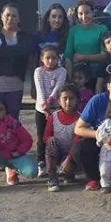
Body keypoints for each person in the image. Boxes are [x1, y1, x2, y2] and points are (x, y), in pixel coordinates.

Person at [0, 97, 38, 193]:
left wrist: (18, 151)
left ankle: (12, 169)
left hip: (15, 156)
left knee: (33, 172)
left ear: (5, 111)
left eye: (1, 109)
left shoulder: (13, 123)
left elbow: (27, 140)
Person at [33, 45, 67, 173]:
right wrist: (45, 106)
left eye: (54, 58)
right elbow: (40, 89)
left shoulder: (62, 71)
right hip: (41, 109)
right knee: (41, 136)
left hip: (56, 109)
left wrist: (50, 102)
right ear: (42, 58)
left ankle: (55, 161)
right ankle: (41, 162)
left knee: (55, 136)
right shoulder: (38, 71)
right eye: (47, 58)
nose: (50, 61)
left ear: (58, 59)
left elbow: (58, 88)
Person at [42, 84, 81, 192]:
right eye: (65, 98)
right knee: (51, 144)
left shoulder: (80, 118)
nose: (68, 102)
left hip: (71, 155)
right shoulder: (53, 117)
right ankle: (52, 178)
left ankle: (68, 174)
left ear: (77, 100)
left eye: (71, 98)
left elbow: (77, 141)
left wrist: (68, 159)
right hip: (56, 152)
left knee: (75, 155)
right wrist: (49, 138)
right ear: (59, 101)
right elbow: (45, 137)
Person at [64, 1, 108, 79]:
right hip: (78, 77)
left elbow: (104, 56)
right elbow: (68, 57)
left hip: (97, 75)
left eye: (87, 13)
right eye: (80, 14)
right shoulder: (73, 30)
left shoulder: (102, 29)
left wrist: (83, 57)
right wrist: (70, 78)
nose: (84, 17)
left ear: (93, 13)